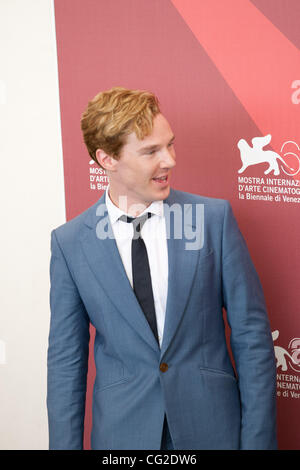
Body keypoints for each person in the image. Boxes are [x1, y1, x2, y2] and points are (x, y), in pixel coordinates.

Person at [47, 87, 277, 450]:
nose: (169, 160)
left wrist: (259, 443)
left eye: (169, 145)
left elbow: (252, 338)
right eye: (151, 151)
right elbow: (65, 363)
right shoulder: (70, 243)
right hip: (123, 436)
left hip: (213, 430)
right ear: (107, 159)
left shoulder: (212, 221)